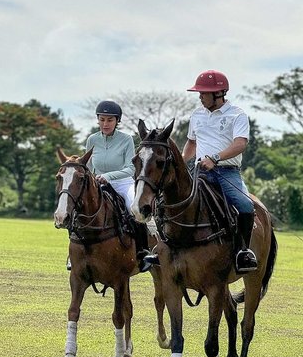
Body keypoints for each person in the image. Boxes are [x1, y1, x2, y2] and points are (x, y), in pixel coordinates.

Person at [148, 70, 256, 273]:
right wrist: (181, 163)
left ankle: (243, 251)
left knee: (245, 205)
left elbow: (240, 144)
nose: (200, 96)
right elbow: (191, 142)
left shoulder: (237, 114)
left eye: (204, 93)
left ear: (219, 93)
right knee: (166, 200)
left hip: (227, 172)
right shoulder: (197, 115)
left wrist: (215, 158)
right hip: (200, 171)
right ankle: (162, 247)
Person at [83, 100, 151, 272]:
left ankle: (144, 252)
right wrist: (89, 181)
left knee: (133, 208)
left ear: (117, 121)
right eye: (102, 119)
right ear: (98, 120)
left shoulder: (126, 139)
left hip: (122, 184)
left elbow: (130, 169)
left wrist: (108, 176)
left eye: (110, 120)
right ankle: (75, 254)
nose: (105, 124)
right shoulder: (92, 139)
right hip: (97, 184)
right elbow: (88, 167)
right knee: (79, 209)